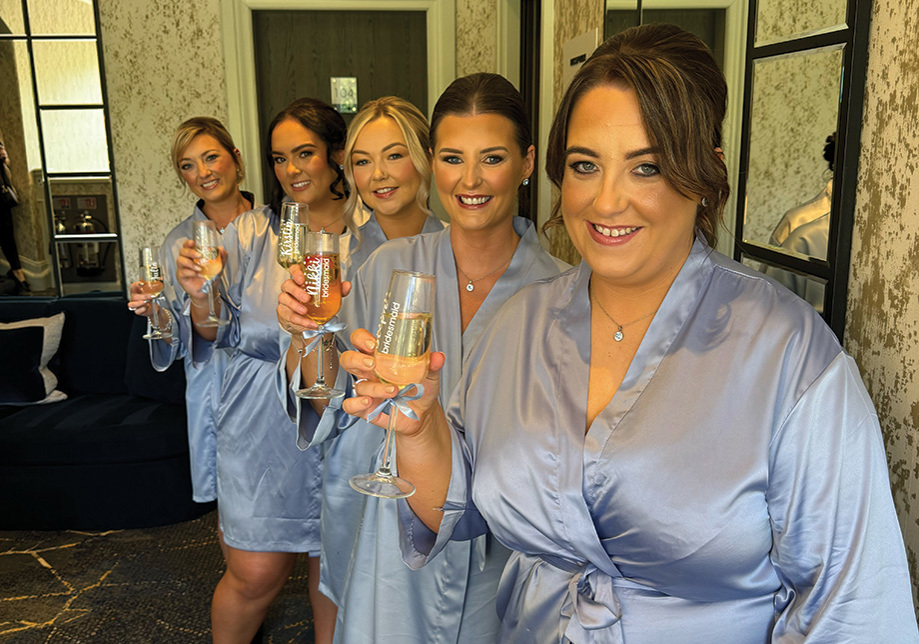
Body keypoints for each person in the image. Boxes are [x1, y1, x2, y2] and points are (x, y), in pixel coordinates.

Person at [340, 25, 919, 643]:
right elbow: (458, 507)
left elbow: (852, 606)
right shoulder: (520, 327)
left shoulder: (788, 353)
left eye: (646, 167)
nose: (606, 200)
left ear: (705, 174)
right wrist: (422, 429)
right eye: (585, 165)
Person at [277, 74, 568, 643]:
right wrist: (303, 334)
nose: (471, 179)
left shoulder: (562, 293)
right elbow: (330, 400)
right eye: (454, 158)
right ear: (434, 162)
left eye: (493, 158)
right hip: (394, 537)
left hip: (505, 553)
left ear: (527, 163)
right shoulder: (388, 265)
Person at [278, 96, 443, 629]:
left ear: (423, 159)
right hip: (358, 460)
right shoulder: (334, 260)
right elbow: (319, 392)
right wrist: (304, 333)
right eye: (363, 161)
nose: (379, 175)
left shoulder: (463, 250)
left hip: (441, 462)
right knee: (349, 597)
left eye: (394, 156)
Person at [0, 136, 30, 293]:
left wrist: (3, 158)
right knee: (7, 237)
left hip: (2, 200)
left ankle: (19, 274)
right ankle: (19, 276)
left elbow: (6, 166)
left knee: (7, 237)